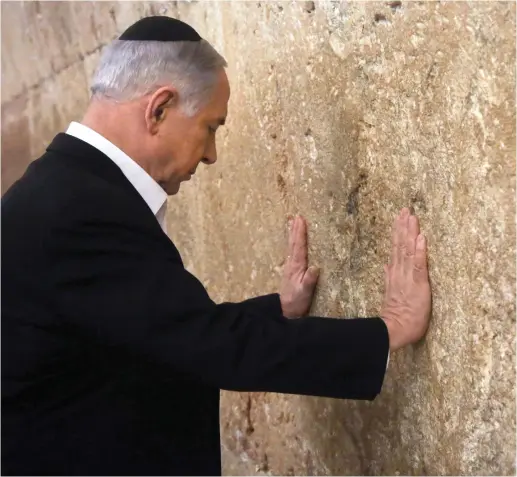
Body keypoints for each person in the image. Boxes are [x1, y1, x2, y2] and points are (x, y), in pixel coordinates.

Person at [1, 16, 431, 477]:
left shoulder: (62, 190)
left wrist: (279, 311)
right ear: (159, 109)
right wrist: (389, 330)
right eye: (211, 127)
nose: (211, 154)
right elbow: (216, 350)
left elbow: (160, 332)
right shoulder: (77, 209)